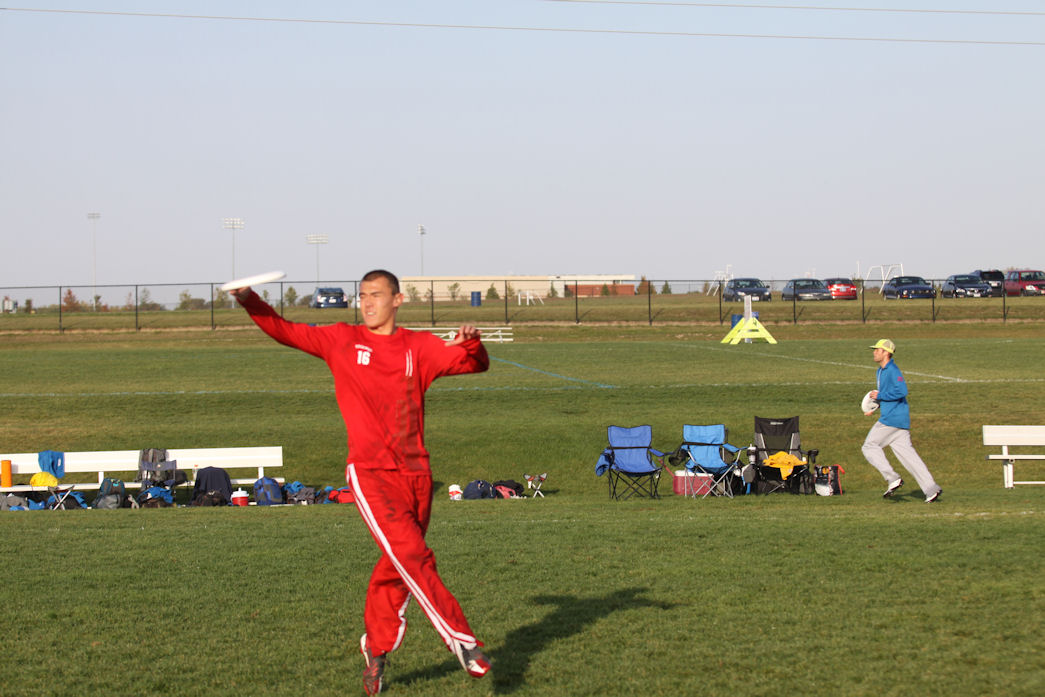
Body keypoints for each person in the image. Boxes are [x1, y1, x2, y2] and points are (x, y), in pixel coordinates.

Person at [230, 269, 491, 695]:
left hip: (417, 475)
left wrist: (472, 342)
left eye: (376, 295)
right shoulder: (341, 340)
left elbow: (475, 364)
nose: (367, 303)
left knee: (398, 565)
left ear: (398, 300)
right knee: (412, 554)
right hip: (370, 474)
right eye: (363, 295)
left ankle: (376, 647)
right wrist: (248, 299)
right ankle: (462, 641)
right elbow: (283, 330)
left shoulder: (418, 346)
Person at [861, 339, 942, 503]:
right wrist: (875, 406)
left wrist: (881, 396)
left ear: (886, 353)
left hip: (892, 419)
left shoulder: (892, 370)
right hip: (899, 421)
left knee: (869, 446)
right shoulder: (880, 371)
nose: (874, 352)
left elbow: (902, 391)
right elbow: (888, 394)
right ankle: (931, 489)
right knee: (909, 458)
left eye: (877, 350)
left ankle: (892, 478)